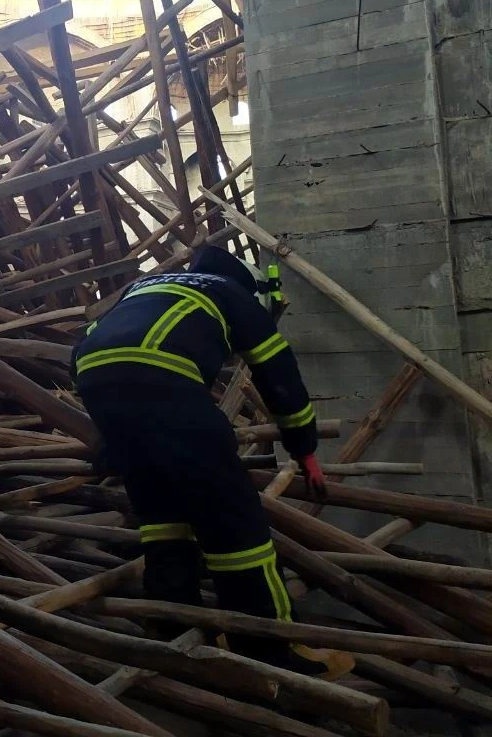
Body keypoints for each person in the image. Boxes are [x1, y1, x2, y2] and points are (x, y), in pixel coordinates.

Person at [72, 245, 345, 678]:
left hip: (94, 375)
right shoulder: (230, 294)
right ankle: (269, 653)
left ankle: (171, 629)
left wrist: (112, 430)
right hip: (166, 381)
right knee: (236, 526)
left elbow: (89, 344)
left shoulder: (144, 287)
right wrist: (305, 449)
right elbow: (279, 373)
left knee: (162, 515)